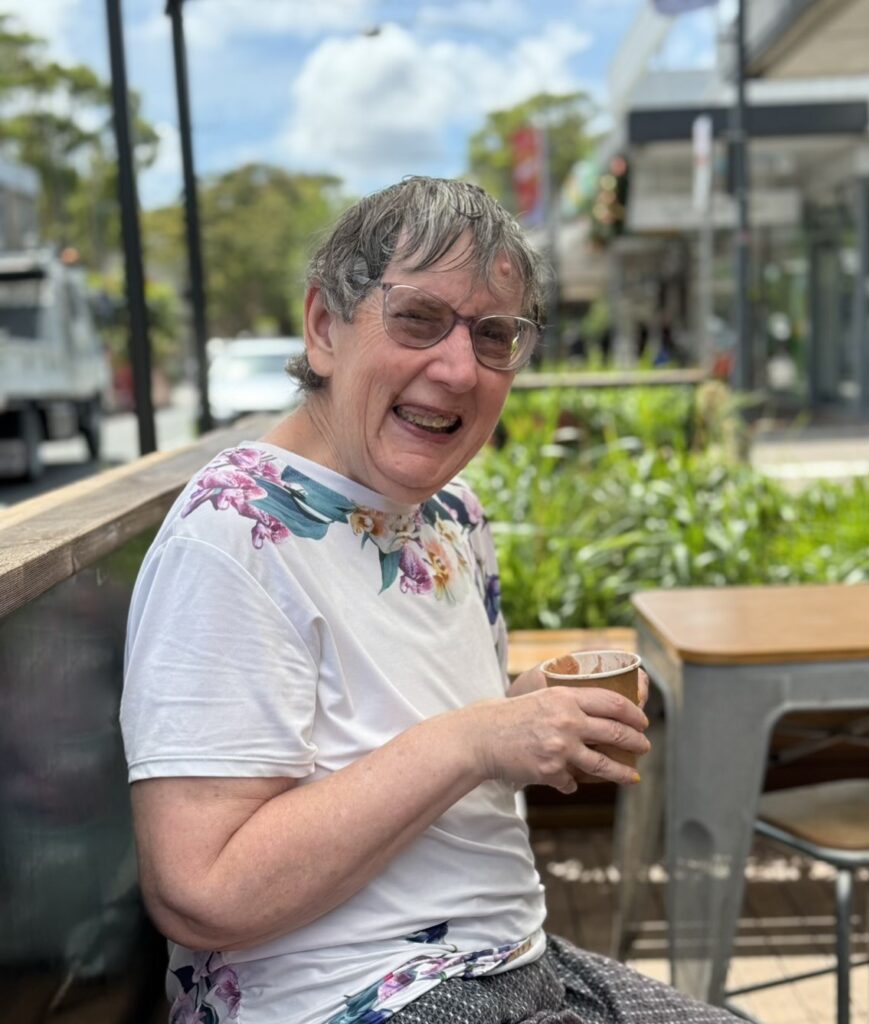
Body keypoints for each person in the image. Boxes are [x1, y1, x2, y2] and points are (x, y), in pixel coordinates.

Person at [120, 177, 742, 1024]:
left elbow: (405, 742)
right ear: (323, 326)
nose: (457, 368)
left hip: (516, 961)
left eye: (494, 335)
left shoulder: (449, 515)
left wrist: (518, 718)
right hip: (355, 998)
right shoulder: (231, 536)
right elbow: (202, 891)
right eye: (418, 318)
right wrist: (478, 738)